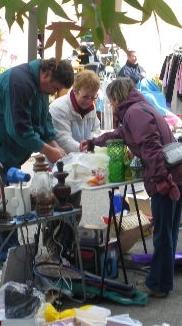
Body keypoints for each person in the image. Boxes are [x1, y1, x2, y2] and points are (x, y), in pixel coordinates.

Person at [80, 78, 182, 298]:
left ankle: (159, 285)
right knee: (168, 230)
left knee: (163, 232)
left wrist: (162, 180)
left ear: (117, 97)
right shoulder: (140, 108)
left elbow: (151, 148)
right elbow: (120, 135)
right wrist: (94, 142)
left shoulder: (135, 113)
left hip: (167, 177)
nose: (111, 105)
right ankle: (162, 280)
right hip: (175, 173)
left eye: (111, 101)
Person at [0, 58, 74, 271]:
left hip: (5, 150)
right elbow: (19, 128)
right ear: (46, 75)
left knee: (8, 207)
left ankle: (11, 265)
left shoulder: (39, 86)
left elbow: (44, 122)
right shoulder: (20, 82)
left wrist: (53, 143)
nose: (53, 93)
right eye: (54, 88)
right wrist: (48, 150)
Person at [47, 70, 102, 260]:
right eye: (85, 96)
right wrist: (83, 149)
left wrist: (92, 144)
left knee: (73, 209)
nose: (89, 101)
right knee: (54, 208)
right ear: (75, 90)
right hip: (58, 165)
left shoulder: (91, 108)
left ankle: (68, 246)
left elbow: (96, 129)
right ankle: (52, 249)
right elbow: (61, 138)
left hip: (79, 164)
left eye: (92, 97)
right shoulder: (59, 107)